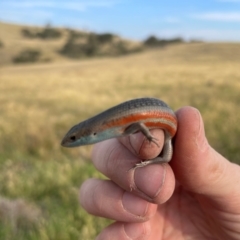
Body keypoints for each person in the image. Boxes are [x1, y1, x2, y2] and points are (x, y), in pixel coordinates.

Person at [79, 107, 240, 240]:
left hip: (168, 128)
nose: (71, 143)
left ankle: (150, 161)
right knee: (160, 157)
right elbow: (139, 125)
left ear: (92, 134)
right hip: (166, 135)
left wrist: (148, 135)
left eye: (74, 138)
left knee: (162, 155)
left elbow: (140, 125)